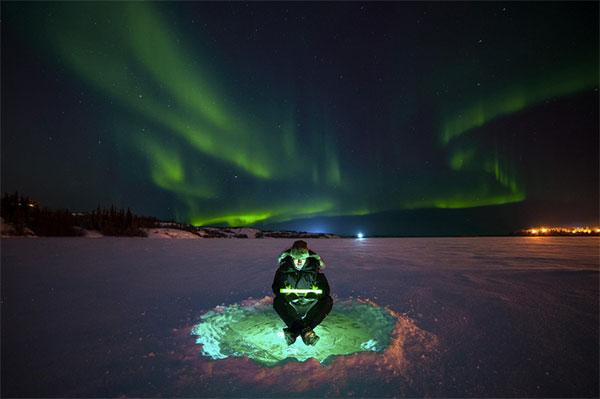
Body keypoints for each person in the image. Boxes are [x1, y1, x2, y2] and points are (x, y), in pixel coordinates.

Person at [272, 240, 333, 346]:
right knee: (278, 301)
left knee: (327, 301)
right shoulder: (283, 270)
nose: (299, 262)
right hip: (291, 304)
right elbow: (276, 288)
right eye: (296, 259)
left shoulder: (315, 269)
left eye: (302, 259)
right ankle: (306, 332)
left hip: (310, 304)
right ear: (291, 258)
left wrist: (315, 294)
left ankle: (294, 332)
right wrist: (286, 295)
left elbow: (325, 290)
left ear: (307, 258)